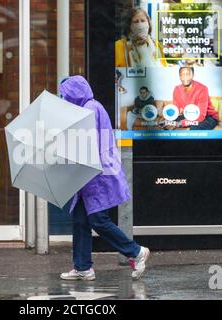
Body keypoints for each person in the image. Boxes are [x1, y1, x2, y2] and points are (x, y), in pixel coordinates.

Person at [58, 75, 150, 281]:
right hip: (90, 174)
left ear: (74, 94)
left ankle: (135, 251)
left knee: (97, 219)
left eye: (65, 95)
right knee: (81, 219)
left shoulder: (89, 109)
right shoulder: (91, 106)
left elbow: (84, 142)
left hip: (97, 175)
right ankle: (82, 267)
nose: (63, 99)